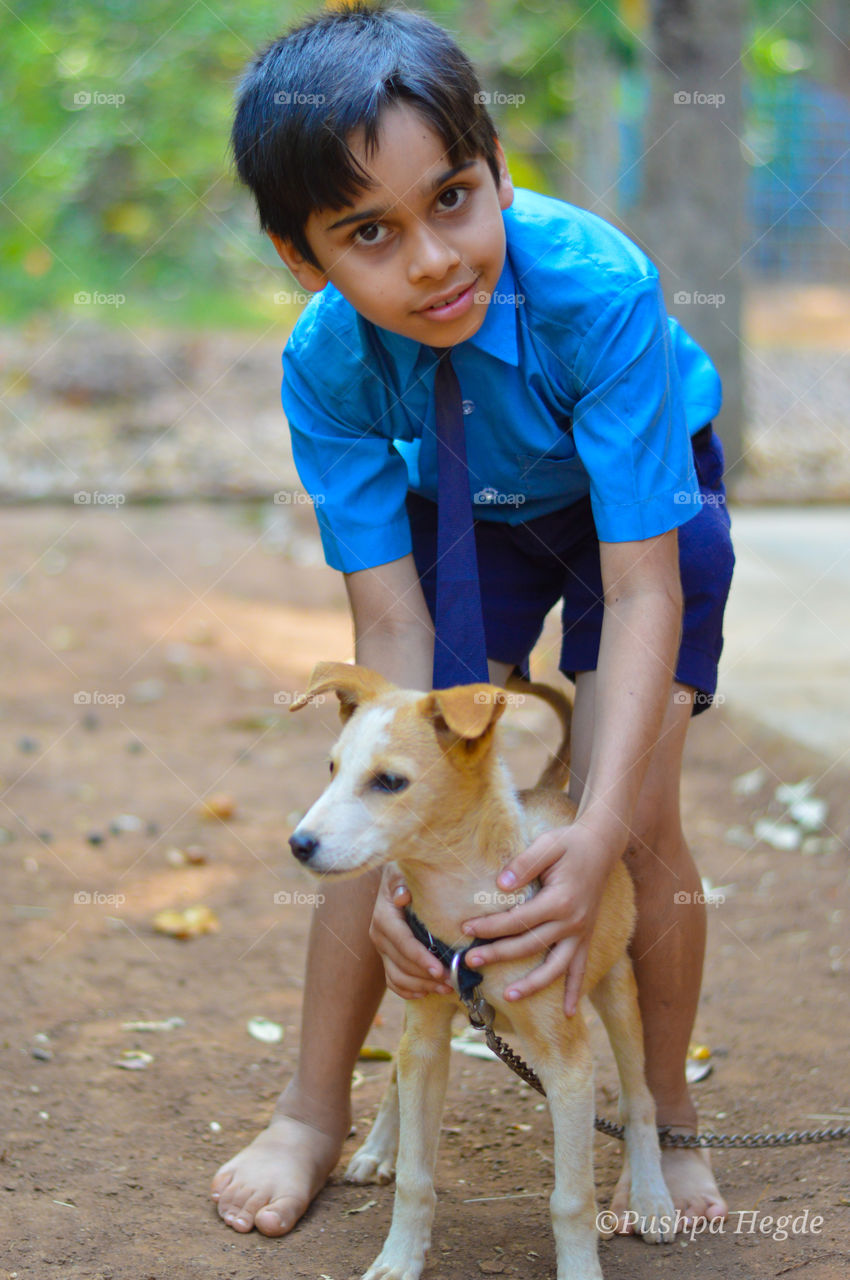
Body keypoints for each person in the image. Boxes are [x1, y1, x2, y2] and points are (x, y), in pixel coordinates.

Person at [212, 0, 734, 1238]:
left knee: (637, 800)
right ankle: (309, 1106)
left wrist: (596, 822)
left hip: (640, 511)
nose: (434, 257)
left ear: (496, 173)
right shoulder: (326, 367)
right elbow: (390, 640)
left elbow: (645, 580)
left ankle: (666, 1115)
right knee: (391, 789)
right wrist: (409, 838)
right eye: (369, 233)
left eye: (452, 198)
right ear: (305, 257)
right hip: (473, 510)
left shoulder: (595, 287)